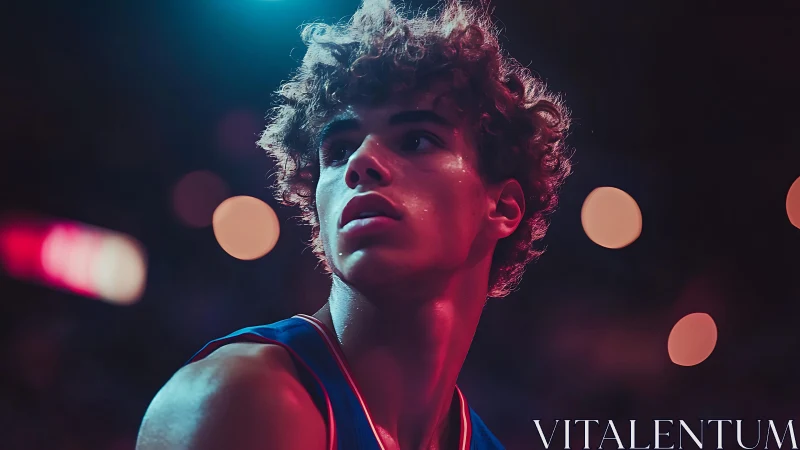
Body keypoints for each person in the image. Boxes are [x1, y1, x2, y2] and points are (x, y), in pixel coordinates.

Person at [135, 0, 572, 448]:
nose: (360, 162)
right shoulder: (242, 397)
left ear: (503, 208)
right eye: (339, 150)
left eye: (416, 139)